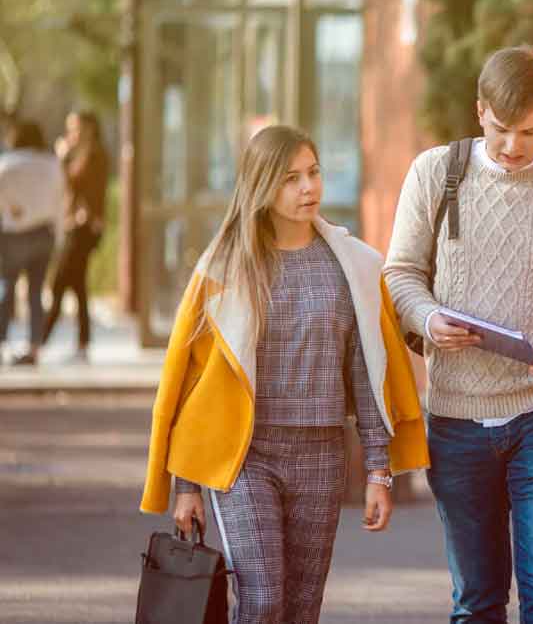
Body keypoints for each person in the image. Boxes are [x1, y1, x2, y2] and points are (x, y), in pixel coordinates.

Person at [140, 125, 430, 624]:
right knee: (262, 600)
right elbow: (195, 381)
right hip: (244, 456)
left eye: (313, 173)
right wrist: (186, 484)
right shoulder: (225, 267)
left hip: (321, 454)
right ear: (261, 187)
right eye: (290, 178)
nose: (308, 188)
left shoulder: (353, 266)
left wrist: (379, 471)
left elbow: (368, 373)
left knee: (301, 609)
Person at [384, 44, 533, 623]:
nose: (514, 146)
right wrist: (426, 318)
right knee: (477, 601)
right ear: (478, 111)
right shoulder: (434, 172)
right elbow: (402, 273)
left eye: (531, 131)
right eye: (501, 130)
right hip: (457, 417)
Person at [41, 110, 108, 361]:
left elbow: (81, 187)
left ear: (87, 128)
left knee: (59, 283)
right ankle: (82, 343)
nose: (71, 133)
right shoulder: (82, 154)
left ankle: (40, 341)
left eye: (75, 128)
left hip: (83, 229)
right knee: (78, 286)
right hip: (76, 226)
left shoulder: (94, 155)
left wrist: (61, 159)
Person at [0, 121, 64, 365]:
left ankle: (1, 340)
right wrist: (58, 237)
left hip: (13, 233)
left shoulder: (7, 164)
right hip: (43, 233)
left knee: (7, 287)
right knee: (36, 292)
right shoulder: (51, 165)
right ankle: (34, 346)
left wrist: (12, 209)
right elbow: (60, 202)